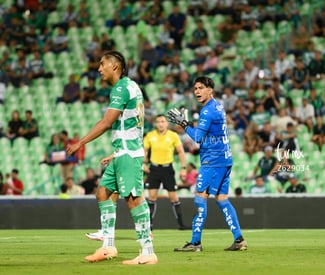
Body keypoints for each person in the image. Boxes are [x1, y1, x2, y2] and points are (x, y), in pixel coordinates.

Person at [66, 50, 156, 264]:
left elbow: (107, 123)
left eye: (102, 64)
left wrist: (81, 142)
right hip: (122, 151)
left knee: (134, 198)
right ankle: (107, 246)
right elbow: (129, 124)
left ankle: (148, 251)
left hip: (127, 153)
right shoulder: (131, 86)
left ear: (115, 66)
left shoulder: (121, 89)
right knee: (103, 193)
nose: (99, 69)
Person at [167, 76, 247, 252]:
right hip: (224, 158)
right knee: (222, 199)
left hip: (213, 160)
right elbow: (208, 132)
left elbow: (197, 137)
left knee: (200, 198)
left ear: (210, 89)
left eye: (201, 88)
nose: (197, 91)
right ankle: (239, 239)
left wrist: (183, 124)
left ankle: (196, 243)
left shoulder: (207, 110)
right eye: (195, 88)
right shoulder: (218, 106)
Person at [143, 114, 190, 230]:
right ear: (155, 124)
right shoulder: (150, 136)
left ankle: (181, 224)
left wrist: (183, 168)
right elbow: (144, 150)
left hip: (167, 169)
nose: (160, 123)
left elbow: (181, 152)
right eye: (158, 121)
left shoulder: (173, 136)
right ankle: (149, 225)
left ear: (167, 124)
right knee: (152, 197)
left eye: (163, 121)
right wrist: (143, 163)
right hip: (154, 169)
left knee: (174, 198)